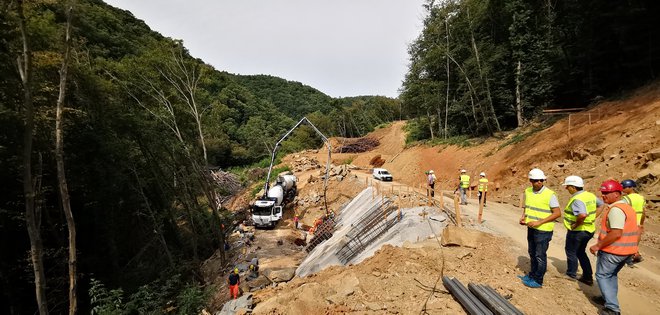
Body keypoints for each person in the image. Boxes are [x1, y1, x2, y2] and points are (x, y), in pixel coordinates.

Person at [589, 180, 639, 315]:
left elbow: (616, 233)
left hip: (613, 251)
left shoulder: (616, 210)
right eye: (602, 192)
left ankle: (612, 308)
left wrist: (598, 245)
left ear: (617, 194)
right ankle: (607, 297)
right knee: (611, 275)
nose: (603, 195)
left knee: (602, 275)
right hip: (626, 251)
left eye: (606, 193)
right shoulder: (627, 208)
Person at [517, 168, 561, 288]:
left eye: (541, 180)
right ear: (531, 181)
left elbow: (557, 213)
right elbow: (527, 207)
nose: (539, 182)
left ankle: (538, 280)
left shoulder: (550, 194)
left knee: (539, 255)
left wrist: (539, 222)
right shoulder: (528, 191)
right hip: (531, 228)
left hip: (543, 230)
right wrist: (523, 218)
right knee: (532, 252)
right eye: (536, 180)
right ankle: (532, 275)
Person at [561, 175, 603, 285]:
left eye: (568, 186)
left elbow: (582, 215)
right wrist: (593, 218)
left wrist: (575, 225)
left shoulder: (577, 199)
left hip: (578, 231)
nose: (566, 189)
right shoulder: (589, 195)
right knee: (580, 252)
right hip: (589, 230)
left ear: (574, 187)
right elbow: (601, 205)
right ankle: (588, 277)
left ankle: (571, 274)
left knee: (571, 251)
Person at [621, 179, 645, 264]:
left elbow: (623, 211)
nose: (622, 189)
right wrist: (641, 224)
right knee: (634, 241)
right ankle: (634, 256)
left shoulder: (626, 198)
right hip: (638, 222)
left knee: (626, 241)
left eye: (624, 187)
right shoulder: (641, 197)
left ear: (630, 187)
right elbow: (643, 212)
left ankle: (631, 258)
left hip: (629, 222)